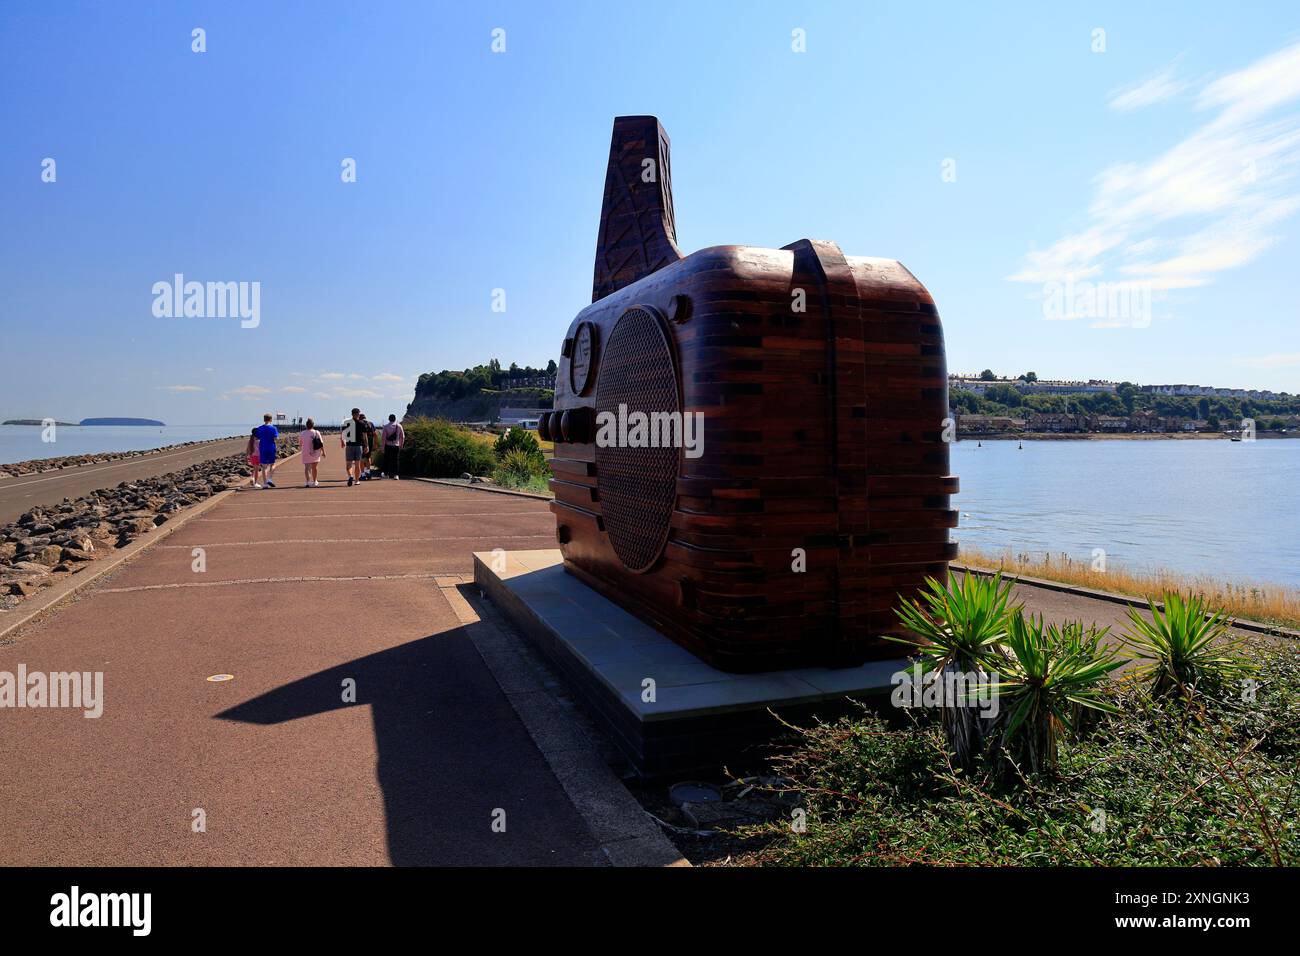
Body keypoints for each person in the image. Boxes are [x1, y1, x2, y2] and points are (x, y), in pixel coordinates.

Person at [341, 407, 365, 487]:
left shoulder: (347, 423)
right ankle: (357, 480)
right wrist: (367, 446)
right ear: (358, 414)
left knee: (348, 464)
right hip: (358, 445)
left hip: (349, 445)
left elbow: (343, 434)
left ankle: (350, 476)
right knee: (357, 464)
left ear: (352, 414)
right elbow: (365, 436)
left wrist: (343, 442)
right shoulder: (362, 423)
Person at [299, 417, 325, 487]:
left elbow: (300, 444)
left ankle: (307, 482)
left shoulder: (302, 433)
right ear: (313, 425)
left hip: (306, 452)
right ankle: (315, 481)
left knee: (307, 468)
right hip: (315, 452)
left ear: (306, 425)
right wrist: (323, 452)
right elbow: (321, 443)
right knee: (314, 467)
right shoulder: (316, 432)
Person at [254, 413, 279, 488]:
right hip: (271, 447)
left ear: (264, 419)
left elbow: (256, 438)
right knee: (273, 464)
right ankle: (270, 479)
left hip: (263, 448)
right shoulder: (273, 428)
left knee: (264, 466)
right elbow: (276, 438)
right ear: (271, 419)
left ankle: (265, 484)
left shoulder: (260, 428)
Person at [381, 414, 405, 479]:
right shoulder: (399, 426)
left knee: (386, 460)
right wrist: (401, 445)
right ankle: (396, 475)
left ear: (389, 419)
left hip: (387, 446)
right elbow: (402, 437)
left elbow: (383, 438)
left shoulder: (386, 427)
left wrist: (382, 447)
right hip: (396, 446)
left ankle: (386, 474)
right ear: (395, 419)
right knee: (396, 460)